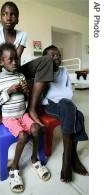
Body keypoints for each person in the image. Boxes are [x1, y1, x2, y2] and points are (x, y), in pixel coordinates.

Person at [0, 1, 54, 141]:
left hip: (15, 67)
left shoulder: (22, 34)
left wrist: (20, 79)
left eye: (12, 14)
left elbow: (15, 60)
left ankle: (31, 109)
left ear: (17, 19)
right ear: (0, 17)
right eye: (5, 14)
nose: (8, 17)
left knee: (47, 60)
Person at [0, 42, 51, 193]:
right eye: (10, 60)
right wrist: (8, 92)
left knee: (37, 128)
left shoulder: (21, 75)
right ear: (1, 62)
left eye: (16, 59)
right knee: (23, 136)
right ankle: (14, 167)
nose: (14, 62)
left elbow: (25, 98)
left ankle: (34, 159)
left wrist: (25, 92)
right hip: (9, 118)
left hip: (23, 115)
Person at [41, 45, 89, 182]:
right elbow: (48, 95)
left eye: (59, 55)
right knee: (71, 107)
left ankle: (69, 157)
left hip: (64, 104)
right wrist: (61, 96)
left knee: (77, 114)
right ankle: (69, 159)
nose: (57, 58)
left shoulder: (64, 71)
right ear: (44, 58)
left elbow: (69, 93)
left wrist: (61, 96)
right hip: (50, 105)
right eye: (52, 55)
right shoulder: (43, 71)